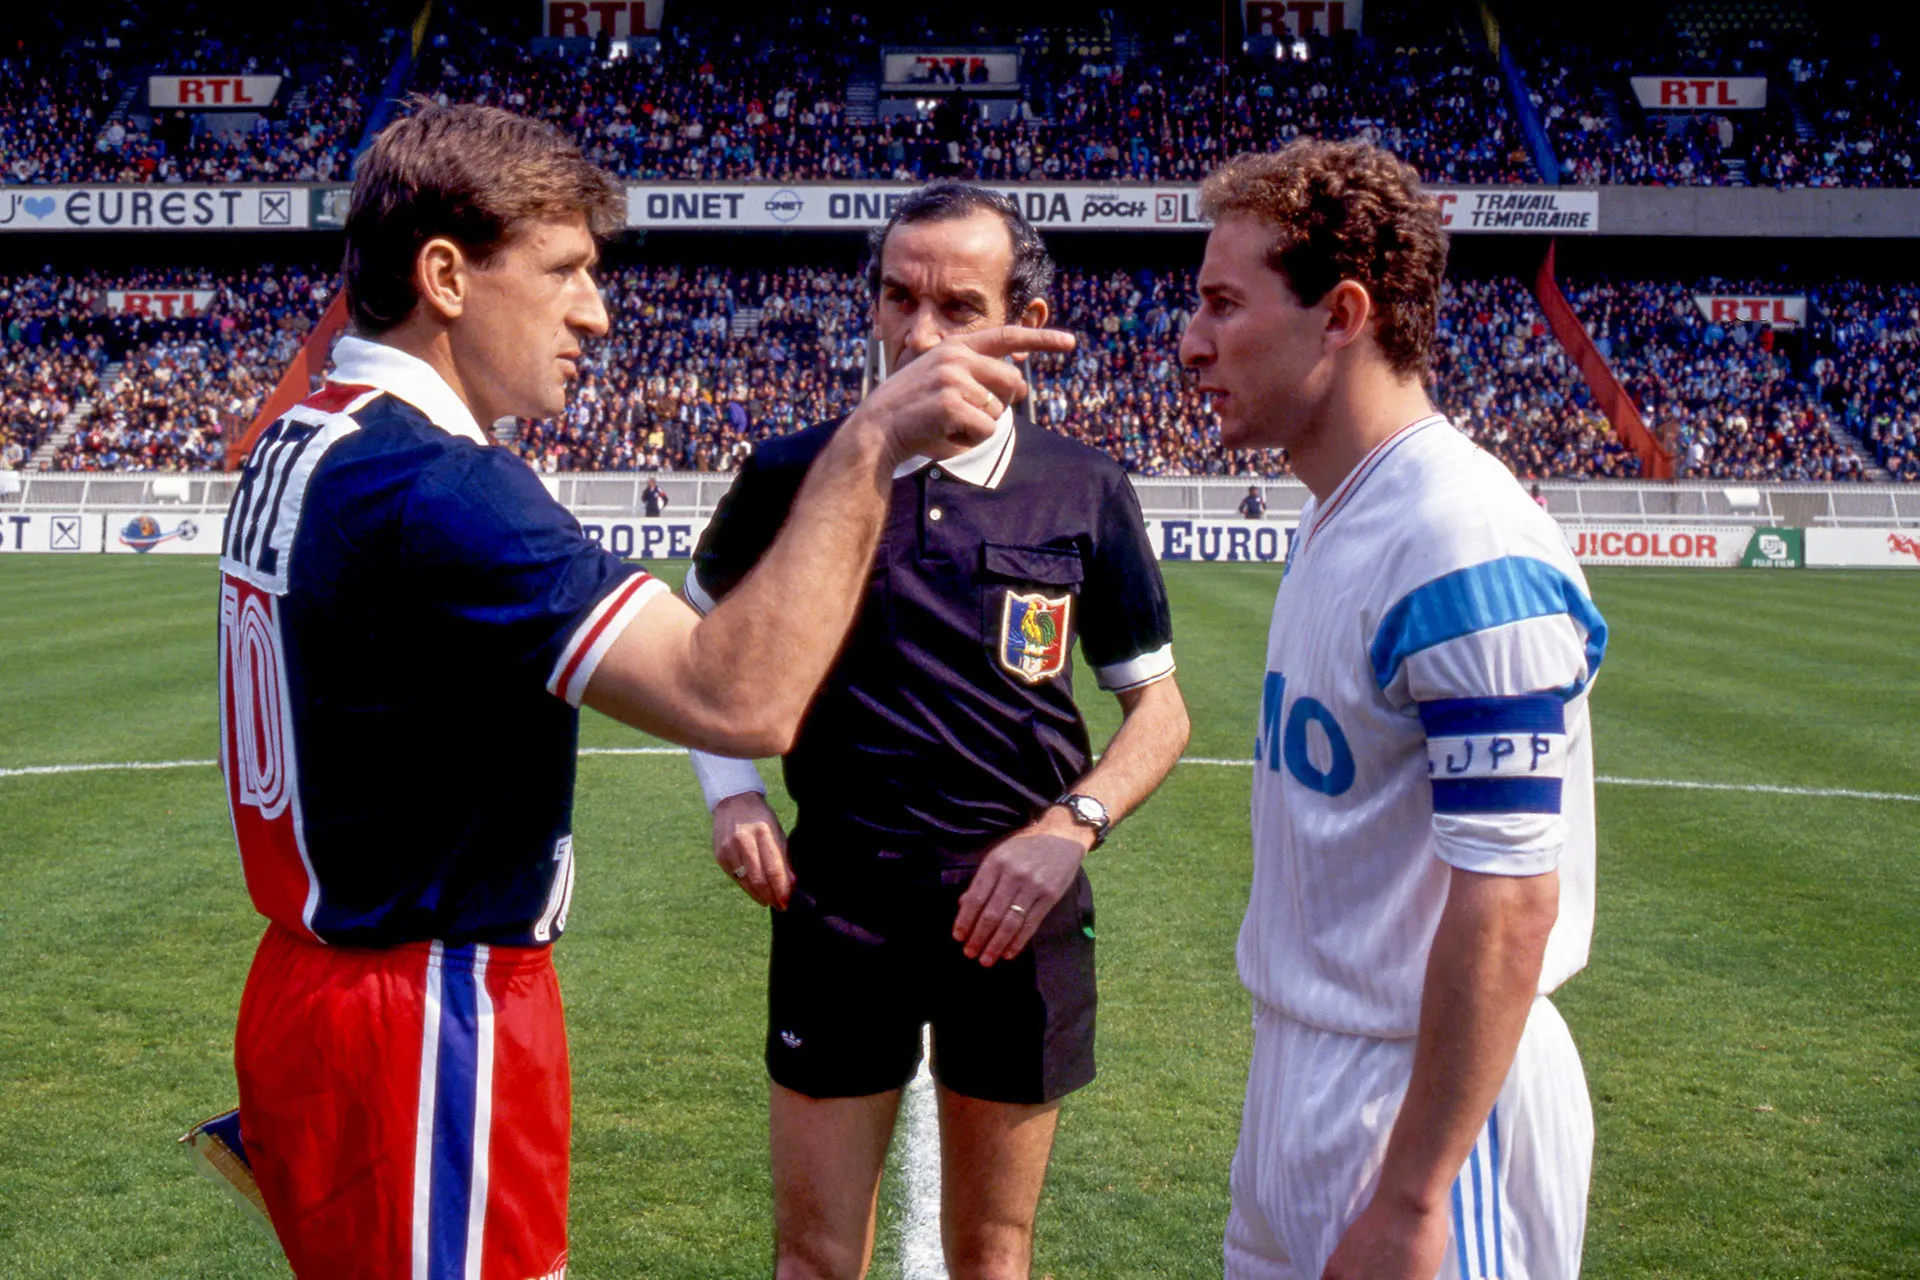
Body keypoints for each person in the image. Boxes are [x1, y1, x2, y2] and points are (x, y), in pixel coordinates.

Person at [214, 106, 1071, 1280]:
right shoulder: (439, 485)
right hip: (425, 1008)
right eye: (564, 270)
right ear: (447, 277)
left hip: (315, 982)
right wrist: (868, 444)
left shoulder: (303, 435)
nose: (596, 312)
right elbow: (738, 698)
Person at [681, 182, 1191, 1280]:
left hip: (1017, 913)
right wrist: (731, 787)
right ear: (871, 304)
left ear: (1024, 320)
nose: (921, 334)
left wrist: (1071, 826)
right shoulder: (792, 471)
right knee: (813, 1258)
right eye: (899, 298)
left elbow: (1160, 708)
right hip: (838, 900)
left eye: (960, 306)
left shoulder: (1082, 484)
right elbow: (694, 637)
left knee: (993, 1257)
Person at [1180, 139, 1606, 1280]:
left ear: (1342, 315)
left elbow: (1510, 898)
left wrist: (1415, 1196)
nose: (1190, 341)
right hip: (1307, 1073)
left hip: (1427, 1112)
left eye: (1224, 303)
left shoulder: (1462, 538)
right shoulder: (1339, 512)